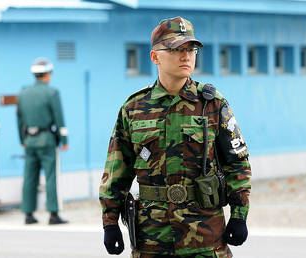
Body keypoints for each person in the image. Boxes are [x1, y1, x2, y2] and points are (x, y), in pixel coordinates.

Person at [99, 17, 251, 257]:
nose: (186, 56)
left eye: (191, 49)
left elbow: (237, 162)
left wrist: (240, 215)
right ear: (155, 56)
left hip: (204, 235)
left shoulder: (212, 104)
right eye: (176, 49)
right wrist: (110, 222)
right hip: (152, 237)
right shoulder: (134, 108)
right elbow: (117, 169)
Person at [17, 57, 69, 225]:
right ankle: (53, 214)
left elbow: (19, 119)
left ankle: (28, 214)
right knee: (51, 177)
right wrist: (64, 139)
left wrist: (22, 139)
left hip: (29, 140)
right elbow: (59, 119)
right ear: (47, 74)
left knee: (29, 177)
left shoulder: (23, 93)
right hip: (46, 140)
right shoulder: (52, 92)